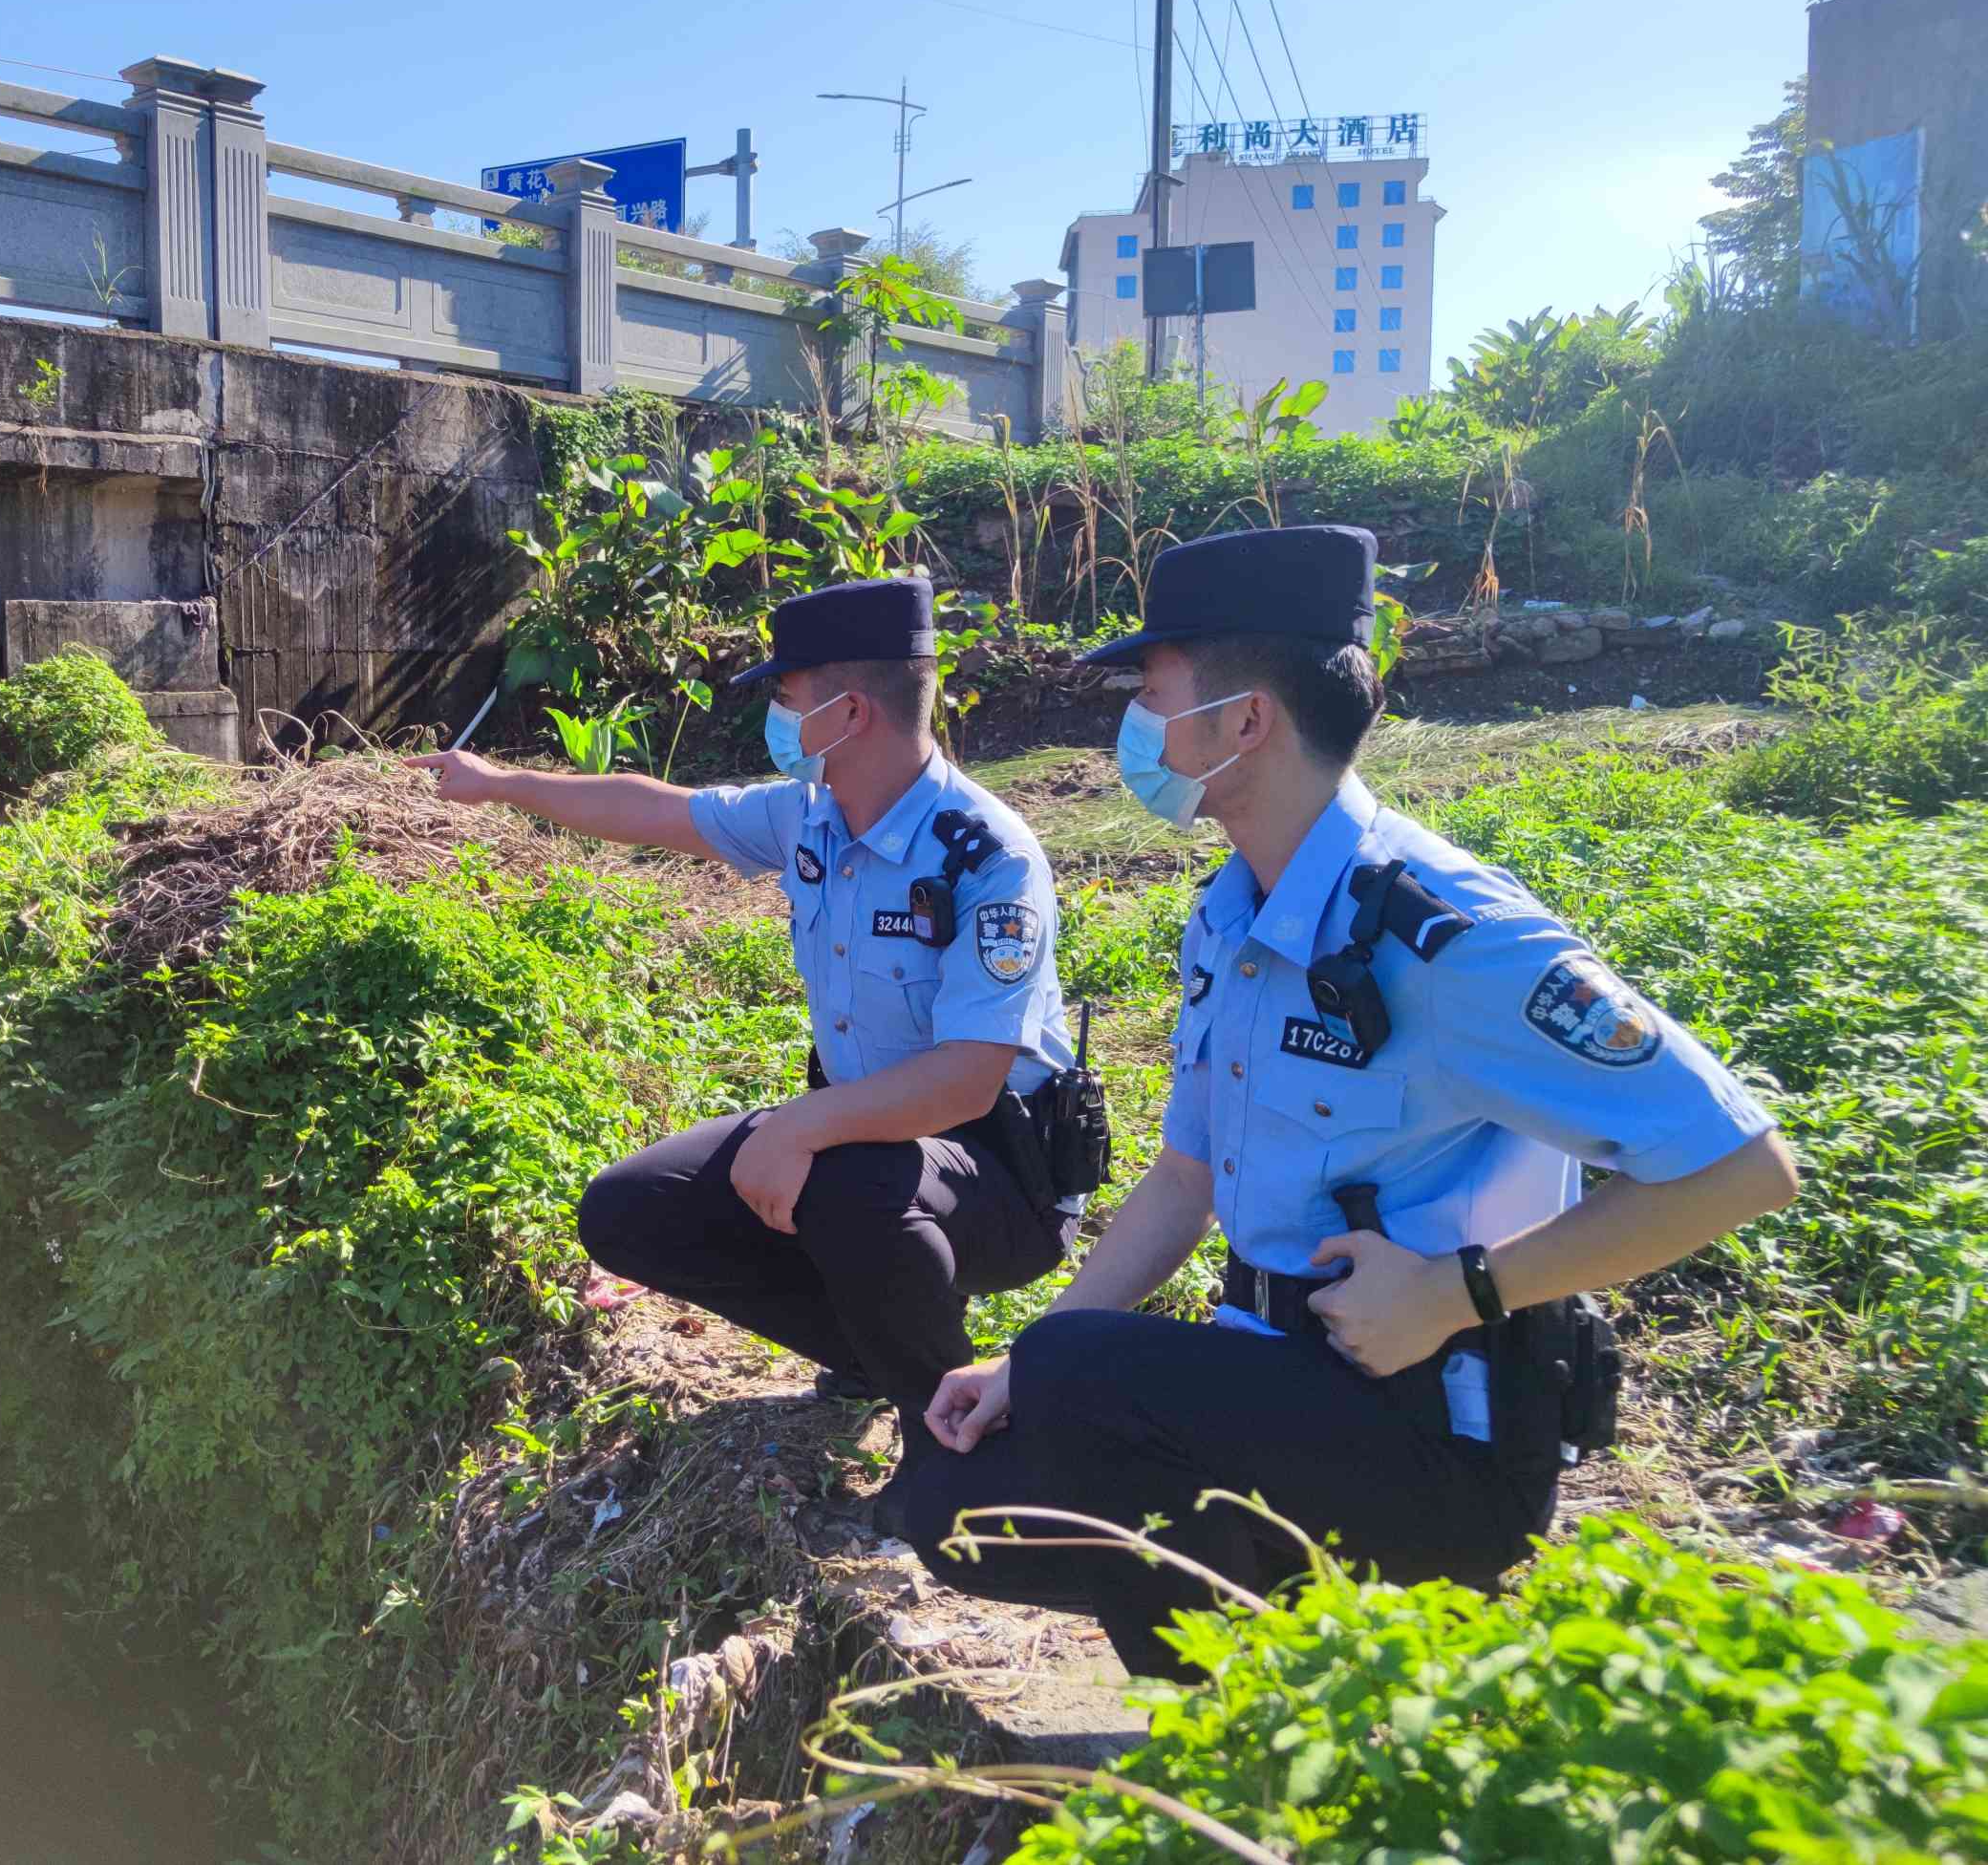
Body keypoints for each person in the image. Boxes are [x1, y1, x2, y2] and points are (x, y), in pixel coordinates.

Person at [898, 523, 1801, 1677]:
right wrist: (1021, 1358)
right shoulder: (1232, 912)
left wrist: (1454, 1292)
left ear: (1244, 721)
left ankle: (1275, 1690)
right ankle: (1259, 1650)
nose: (1133, 725)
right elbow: (1184, 1177)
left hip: (1435, 1437)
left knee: (1085, 1379)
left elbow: (1742, 1167)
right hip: (1279, 1381)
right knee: (954, 1494)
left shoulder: (1446, 934)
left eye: (1151, 692)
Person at [416, 574, 1101, 1500]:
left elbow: (967, 1083)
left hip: (1002, 1175)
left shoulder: (985, 855)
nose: (775, 717)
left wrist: (800, 1127)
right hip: (872, 1141)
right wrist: (500, 785)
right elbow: (655, 808)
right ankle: (873, 1348)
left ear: (849, 712)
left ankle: (954, 1451)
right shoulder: (809, 816)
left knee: (849, 1182)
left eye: (786, 695)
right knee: (631, 1209)